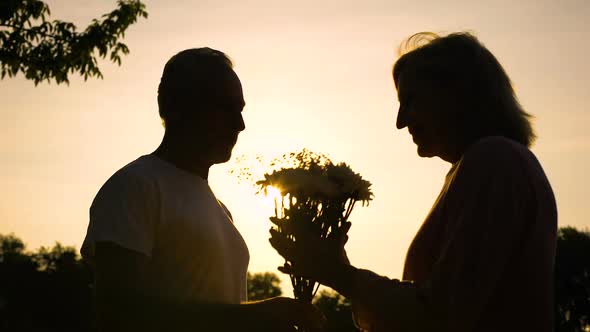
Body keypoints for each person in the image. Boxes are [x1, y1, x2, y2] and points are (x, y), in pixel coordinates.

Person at [269, 32, 557, 332]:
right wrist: (339, 267)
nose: (400, 121)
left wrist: (340, 275)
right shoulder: (487, 164)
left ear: (456, 93)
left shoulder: (494, 160)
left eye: (410, 100)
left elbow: (441, 315)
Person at [81, 48, 325, 332]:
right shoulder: (134, 187)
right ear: (175, 108)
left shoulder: (221, 210)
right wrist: (256, 316)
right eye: (225, 108)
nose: (240, 124)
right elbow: (118, 313)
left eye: (241, 110)